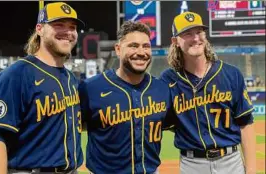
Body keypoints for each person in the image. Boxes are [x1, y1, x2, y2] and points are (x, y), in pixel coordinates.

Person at [0, 2, 84, 174]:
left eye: (72, 27)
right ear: (39, 29)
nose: (68, 32)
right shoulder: (16, 74)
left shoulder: (70, 78)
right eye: (58, 25)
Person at [160, 11, 256, 174]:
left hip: (230, 162)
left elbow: (245, 124)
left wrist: (252, 171)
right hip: (192, 164)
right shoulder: (168, 80)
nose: (195, 38)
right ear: (175, 41)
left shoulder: (231, 74)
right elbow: (158, 121)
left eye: (199, 32)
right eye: (187, 34)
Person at [79, 21, 175, 174]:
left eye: (146, 46)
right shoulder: (91, 88)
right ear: (118, 49)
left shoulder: (161, 89)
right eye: (133, 46)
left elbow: (171, 123)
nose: (141, 52)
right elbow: (76, 126)